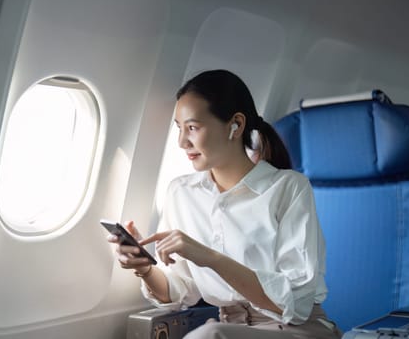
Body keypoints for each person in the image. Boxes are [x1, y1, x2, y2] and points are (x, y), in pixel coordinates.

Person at [107, 69, 342, 338]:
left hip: (299, 331)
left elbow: (295, 304)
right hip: (229, 328)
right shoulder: (181, 193)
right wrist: (145, 268)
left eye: (193, 128)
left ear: (236, 125)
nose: (182, 142)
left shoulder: (288, 188)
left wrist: (209, 257)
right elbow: (181, 290)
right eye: (179, 128)